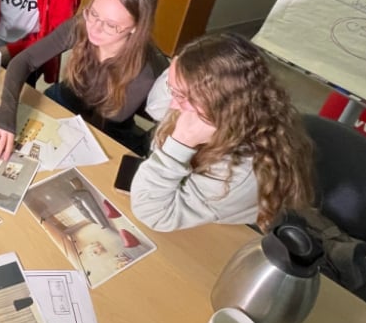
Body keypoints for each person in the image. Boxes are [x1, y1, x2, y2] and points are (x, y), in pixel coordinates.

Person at [130, 32, 314, 232]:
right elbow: (155, 108)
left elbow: (152, 214)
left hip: (222, 232)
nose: (174, 104)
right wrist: (179, 74)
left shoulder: (241, 170)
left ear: (220, 104)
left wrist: (180, 143)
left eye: (182, 95)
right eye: (173, 89)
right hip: (183, 202)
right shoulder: (210, 107)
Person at [0, 0, 167, 160]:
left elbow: (172, 126)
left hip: (108, 134)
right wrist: (5, 115)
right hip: (63, 103)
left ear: (136, 27)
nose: (94, 28)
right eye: (93, 13)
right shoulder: (82, 25)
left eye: (111, 25)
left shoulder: (150, 71)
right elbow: (24, 60)